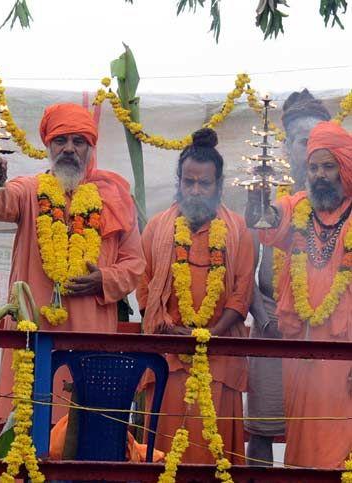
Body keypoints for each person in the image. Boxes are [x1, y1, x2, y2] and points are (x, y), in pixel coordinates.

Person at [0, 103, 144, 426]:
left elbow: (134, 263)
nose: (69, 149)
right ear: (48, 146)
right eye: (61, 141)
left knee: (84, 436)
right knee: (28, 437)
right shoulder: (30, 190)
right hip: (35, 334)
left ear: (90, 147)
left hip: (90, 331)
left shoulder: (113, 196)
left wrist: (104, 279)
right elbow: (2, 205)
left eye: (78, 141)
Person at [138, 128, 253, 464]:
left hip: (219, 359)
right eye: (189, 182)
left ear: (219, 185)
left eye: (205, 183)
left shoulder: (239, 230)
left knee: (214, 455)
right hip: (169, 358)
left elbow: (242, 291)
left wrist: (210, 336)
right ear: (179, 182)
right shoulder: (157, 228)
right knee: (164, 455)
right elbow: (143, 289)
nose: (197, 190)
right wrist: (170, 330)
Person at [247, 121, 352, 468]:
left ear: (345, 167)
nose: (320, 175)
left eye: (328, 166)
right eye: (313, 167)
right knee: (303, 447)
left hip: (345, 355)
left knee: (339, 449)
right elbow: (269, 219)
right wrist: (259, 202)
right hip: (301, 356)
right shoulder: (298, 207)